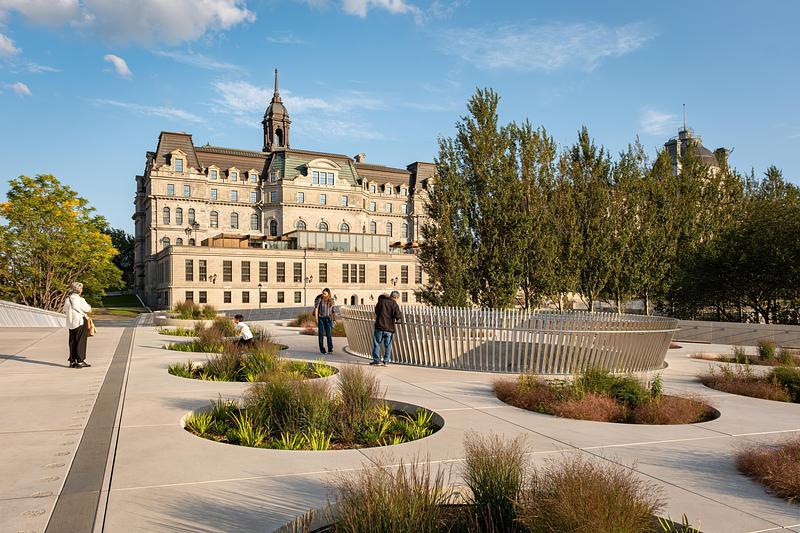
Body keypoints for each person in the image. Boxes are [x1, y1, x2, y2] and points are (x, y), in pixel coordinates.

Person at [64, 282, 92, 368]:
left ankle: (72, 361)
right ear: (79, 290)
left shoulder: (67, 299)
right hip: (80, 321)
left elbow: (65, 309)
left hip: (71, 322)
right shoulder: (80, 300)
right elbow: (88, 309)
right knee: (81, 341)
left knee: (72, 341)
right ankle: (80, 361)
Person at [371, 290, 403, 366]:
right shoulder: (394, 304)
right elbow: (398, 316)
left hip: (379, 326)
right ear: (396, 297)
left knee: (377, 343)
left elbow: (376, 311)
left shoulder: (381, 302)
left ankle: (376, 360)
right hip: (389, 328)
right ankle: (386, 361)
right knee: (388, 345)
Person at [313, 288, 337, 355]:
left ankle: (330, 349)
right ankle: (322, 350)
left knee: (329, 334)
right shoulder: (319, 299)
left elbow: (333, 311)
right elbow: (316, 309)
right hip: (321, 319)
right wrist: (317, 319)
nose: (323, 295)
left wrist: (334, 320)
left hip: (328, 319)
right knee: (321, 335)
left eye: (325, 294)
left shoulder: (332, 300)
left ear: (328, 294)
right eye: (323, 293)